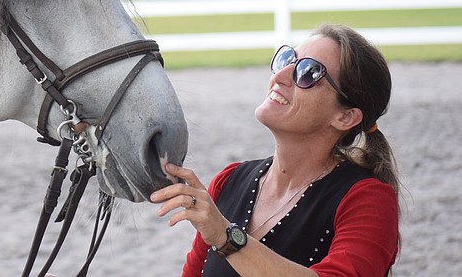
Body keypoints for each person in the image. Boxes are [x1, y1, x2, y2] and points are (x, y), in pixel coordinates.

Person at [151, 23, 400, 276]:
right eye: (287, 59)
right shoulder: (227, 182)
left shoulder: (368, 199)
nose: (280, 76)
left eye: (308, 72)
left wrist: (227, 238)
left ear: (345, 117)